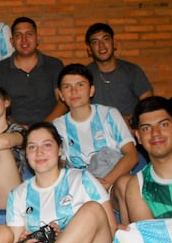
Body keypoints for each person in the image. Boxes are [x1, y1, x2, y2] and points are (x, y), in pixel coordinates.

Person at [52, 63, 138, 197]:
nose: (74, 91)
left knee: (125, 185)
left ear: (92, 90)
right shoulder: (57, 126)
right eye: (67, 87)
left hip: (114, 184)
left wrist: (106, 183)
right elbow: (59, 167)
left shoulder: (109, 115)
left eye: (80, 85)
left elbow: (132, 155)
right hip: (81, 190)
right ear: (61, 95)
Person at [0, 17, 66, 126]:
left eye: (29, 34)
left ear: (37, 39)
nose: (24, 39)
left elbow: (63, 102)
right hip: (13, 130)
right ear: (12, 41)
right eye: (18, 35)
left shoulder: (54, 65)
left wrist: (42, 127)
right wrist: (18, 127)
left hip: (51, 127)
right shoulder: (0, 69)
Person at [85, 23, 153, 122]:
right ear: (89, 50)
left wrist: (131, 121)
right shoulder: (84, 75)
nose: (101, 46)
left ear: (114, 44)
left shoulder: (132, 71)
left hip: (130, 126)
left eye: (106, 39)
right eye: (95, 42)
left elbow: (149, 104)